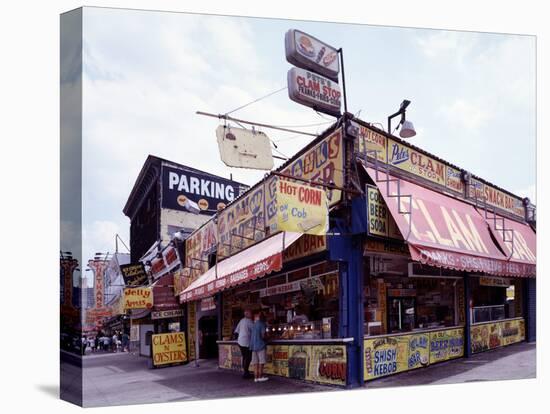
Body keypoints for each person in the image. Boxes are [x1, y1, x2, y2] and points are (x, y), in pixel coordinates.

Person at [234, 309, 254, 379]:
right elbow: (255, 330)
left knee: (244, 356)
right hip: (246, 342)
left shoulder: (241, 321)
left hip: (240, 341)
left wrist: (236, 338)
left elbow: (236, 331)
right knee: (248, 357)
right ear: (247, 314)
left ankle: (245, 372)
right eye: (251, 313)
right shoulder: (249, 321)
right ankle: (246, 373)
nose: (252, 314)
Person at [250, 311, 268, 382]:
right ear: (263, 318)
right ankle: (260, 376)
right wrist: (267, 338)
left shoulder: (254, 324)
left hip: (253, 346)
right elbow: (263, 335)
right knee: (261, 362)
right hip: (260, 345)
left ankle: (256, 378)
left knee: (255, 362)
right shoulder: (262, 324)